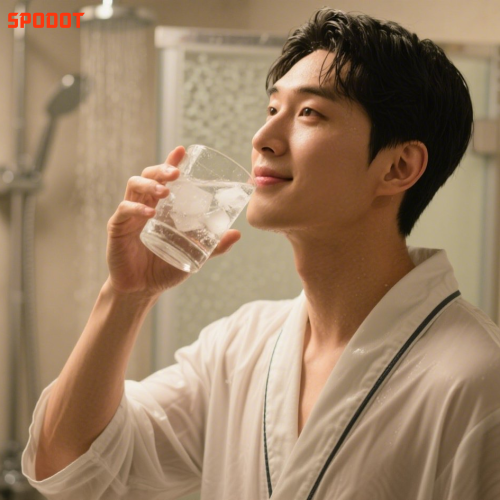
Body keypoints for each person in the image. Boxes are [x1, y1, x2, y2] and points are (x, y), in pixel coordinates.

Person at [22, 7, 500, 500]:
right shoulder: (240, 346)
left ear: (399, 166)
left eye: (309, 112)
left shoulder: (478, 380)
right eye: (273, 110)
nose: (262, 139)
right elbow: (68, 466)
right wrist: (127, 295)